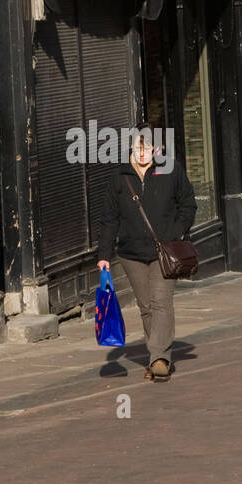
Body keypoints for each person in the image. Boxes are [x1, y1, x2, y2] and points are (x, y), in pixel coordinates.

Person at [97, 127, 196, 382]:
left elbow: (188, 203)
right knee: (146, 306)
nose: (143, 153)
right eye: (138, 147)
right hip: (131, 254)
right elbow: (109, 218)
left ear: (156, 149)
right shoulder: (120, 176)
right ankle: (157, 355)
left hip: (164, 251)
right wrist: (104, 254)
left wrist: (176, 232)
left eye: (147, 148)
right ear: (131, 148)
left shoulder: (170, 170)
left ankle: (159, 359)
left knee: (161, 302)